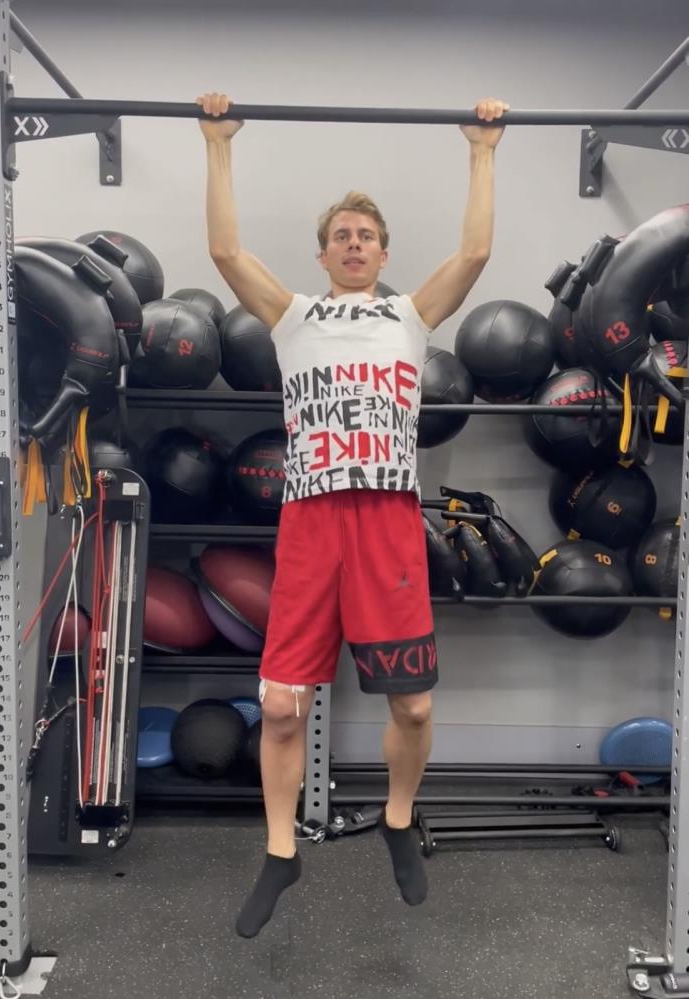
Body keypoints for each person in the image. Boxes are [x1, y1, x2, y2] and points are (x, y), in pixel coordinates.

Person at [197, 90, 508, 938]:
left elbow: (475, 250)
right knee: (282, 704)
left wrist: (481, 149)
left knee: (413, 707)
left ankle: (399, 819)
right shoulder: (293, 317)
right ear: (324, 251)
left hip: (385, 521)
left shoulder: (408, 317)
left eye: (366, 235)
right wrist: (217, 142)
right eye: (341, 234)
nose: (354, 243)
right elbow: (224, 250)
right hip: (311, 520)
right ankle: (279, 850)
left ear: (383, 251)